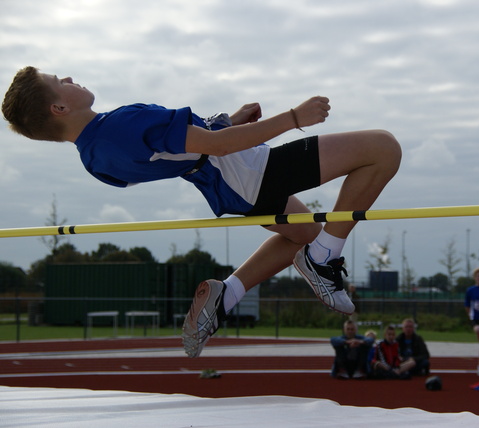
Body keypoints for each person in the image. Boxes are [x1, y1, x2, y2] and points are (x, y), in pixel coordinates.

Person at [2, 67, 401, 358]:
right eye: (60, 81)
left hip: (227, 188)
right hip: (248, 170)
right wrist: (292, 119)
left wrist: (224, 123)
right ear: (58, 106)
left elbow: (176, 151)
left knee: (303, 235)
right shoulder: (122, 123)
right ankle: (324, 260)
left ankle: (227, 294)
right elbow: (218, 147)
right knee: (382, 148)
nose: (70, 78)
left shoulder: (94, 157)